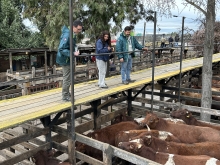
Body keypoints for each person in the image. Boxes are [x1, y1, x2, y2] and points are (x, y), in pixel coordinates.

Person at [56, 20, 83, 101]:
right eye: (78, 29)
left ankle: (67, 93)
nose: (79, 31)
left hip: (69, 58)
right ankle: (65, 96)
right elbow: (61, 49)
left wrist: (75, 49)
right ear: (73, 27)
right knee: (67, 78)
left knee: (69, 77)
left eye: (80, 29)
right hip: (65, 59)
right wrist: (73, 53)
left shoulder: (72, 34)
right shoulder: (67, 35)